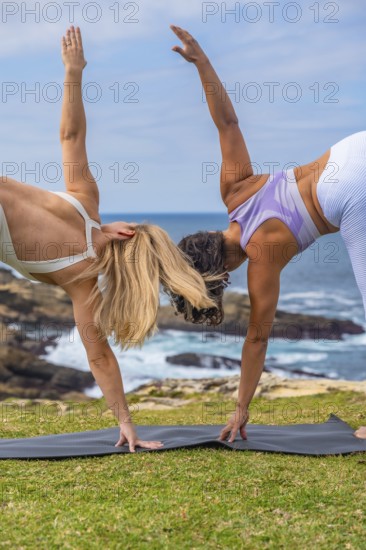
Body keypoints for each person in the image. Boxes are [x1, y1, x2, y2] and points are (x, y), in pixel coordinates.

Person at [0, 26, 223, 453]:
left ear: (127, 232)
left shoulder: (85, 202)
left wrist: (73, 71)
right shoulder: (84, 286)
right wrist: (126, 426)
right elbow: (99, 359)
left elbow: (71, 135)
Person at [169, 24, 366, 441]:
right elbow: (227, 122)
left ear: (220, 276)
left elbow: (256, 342)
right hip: (351, 149)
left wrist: (240, 411)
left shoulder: (261, 261)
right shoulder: (235, 191)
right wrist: (202, 63)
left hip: (350, 195)